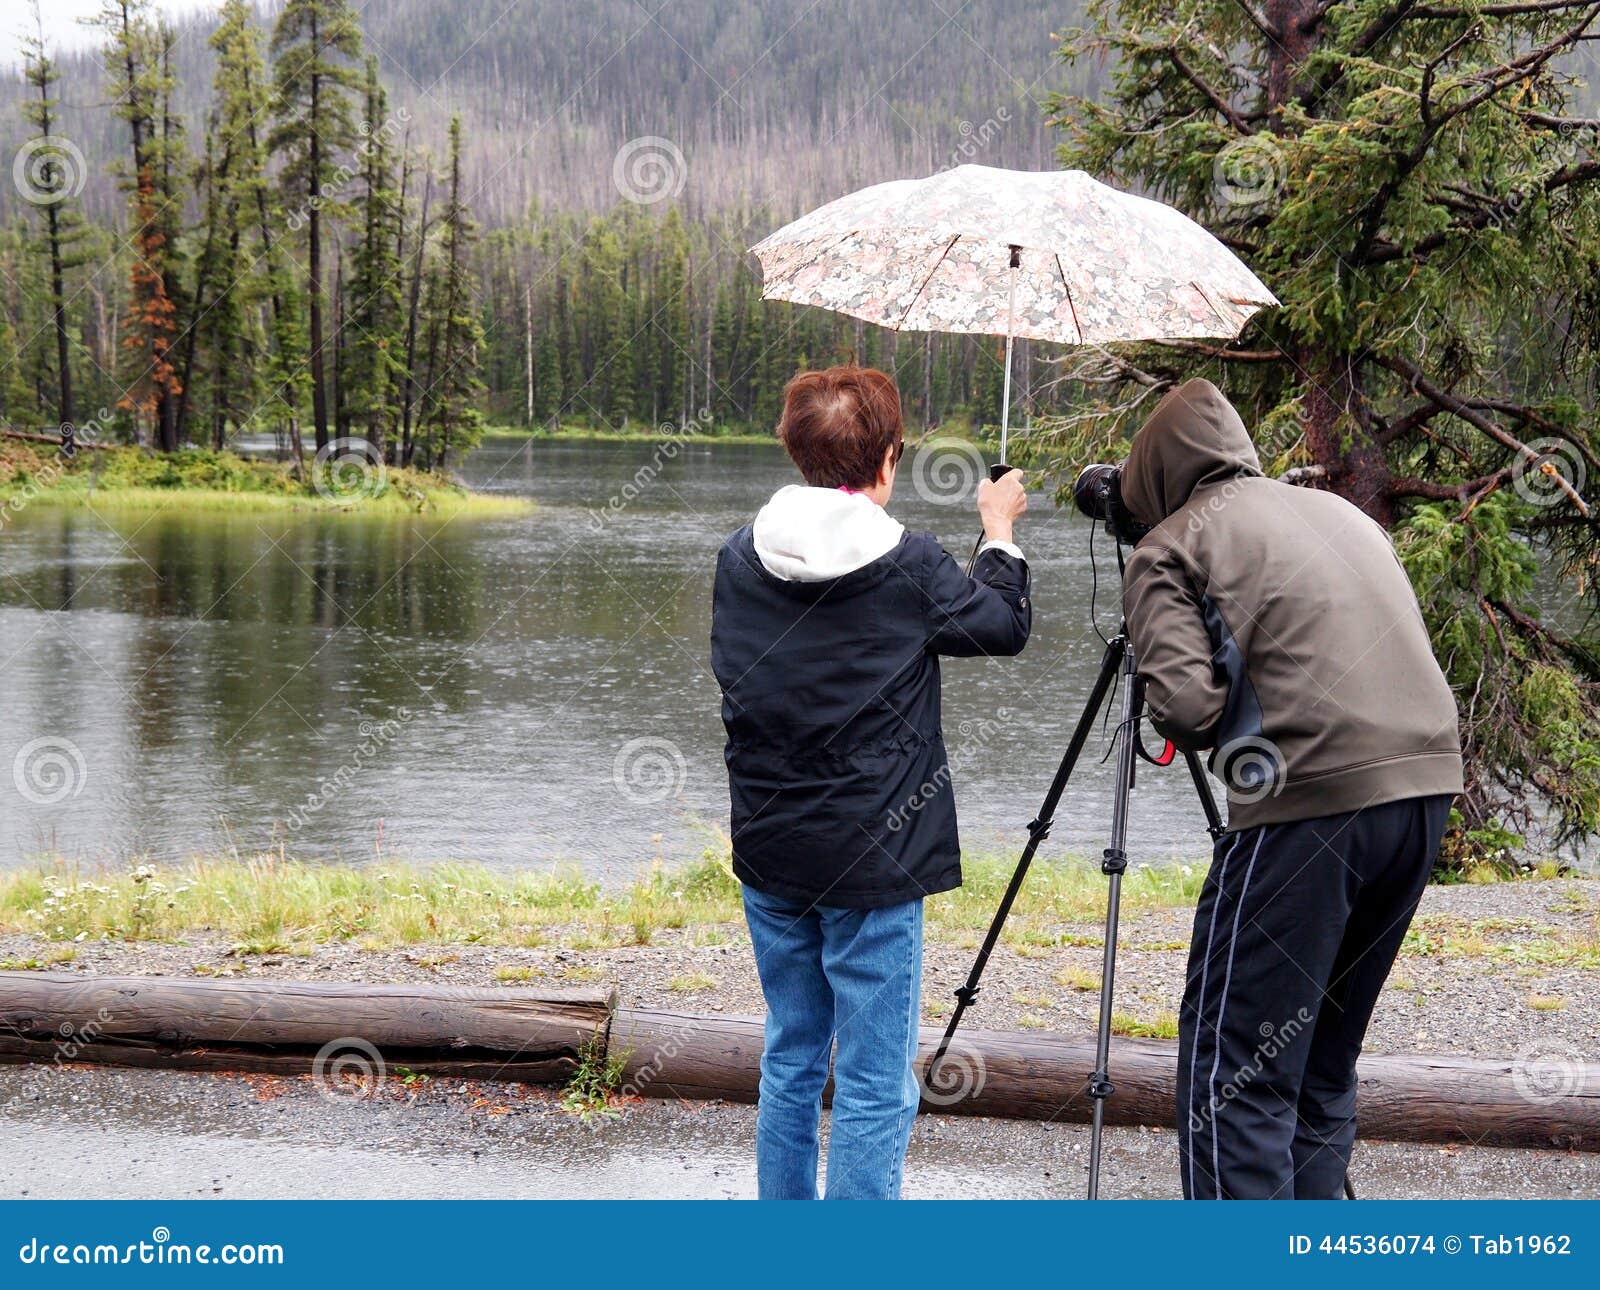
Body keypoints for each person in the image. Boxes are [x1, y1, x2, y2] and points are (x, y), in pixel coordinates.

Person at [1117, 378, 1463, 1200]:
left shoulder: (1166, 546)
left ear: (1156, 476)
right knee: (1319, 1069)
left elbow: (1190, 711)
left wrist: (1164, 640)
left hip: (1308, 804)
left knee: (1232, 1076)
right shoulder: (1344, 513)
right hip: (1425, 789)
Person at [710, 364, 1030, 1200]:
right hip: (875, 865)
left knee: (791, 1055)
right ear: (888, 461)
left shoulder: (740, 556)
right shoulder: (913, 566)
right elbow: (1000, 628)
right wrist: (997, 533)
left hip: (772, 849)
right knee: (873, 1081)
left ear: (791, 450)